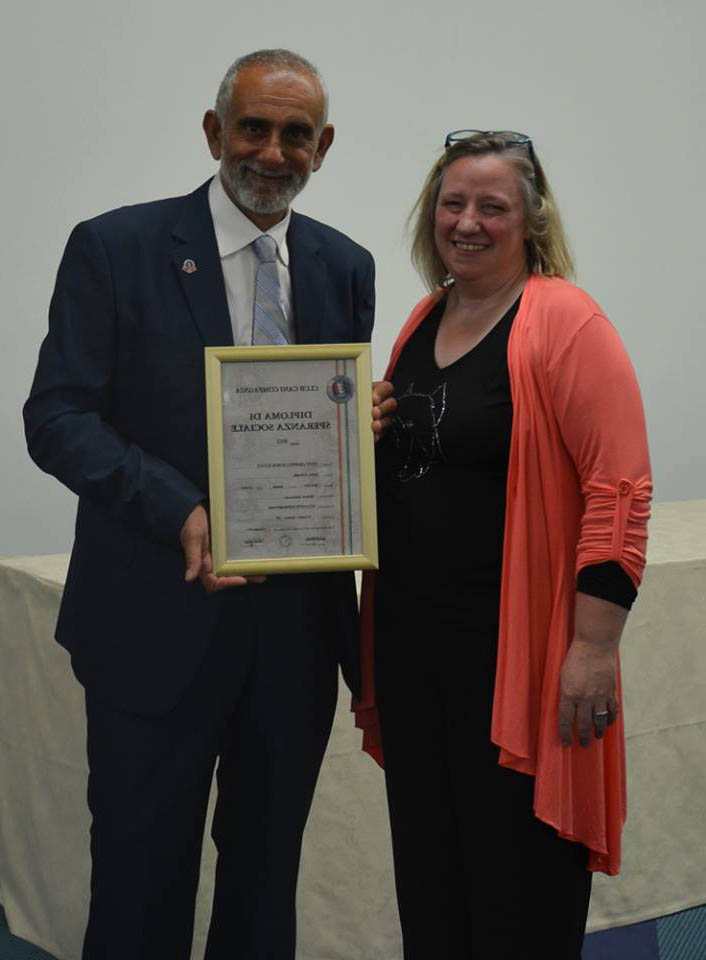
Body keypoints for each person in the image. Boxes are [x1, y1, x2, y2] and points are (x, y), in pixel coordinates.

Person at [23, 49, 376, 960]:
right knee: (140, 885)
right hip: (154, 624)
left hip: (294, 642)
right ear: (215, 131)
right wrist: (179, 508)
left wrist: (360, 432)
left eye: (296, 134)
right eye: (254, 127)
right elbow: (56, 417)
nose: (273, 152)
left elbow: (326, 444)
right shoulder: (116, 248)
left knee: (264, 888)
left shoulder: (344, 266)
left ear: (323, 147)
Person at [355, 130, 651, 958]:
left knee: (515, 894)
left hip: (515, 665)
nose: (468, 222)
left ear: (531, 220)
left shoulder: (566, 320)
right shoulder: (424, 317)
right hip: (416, 657)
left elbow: (619, 491)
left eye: (493, 206)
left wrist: (593, 649)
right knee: (434, 887)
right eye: (453, 203)